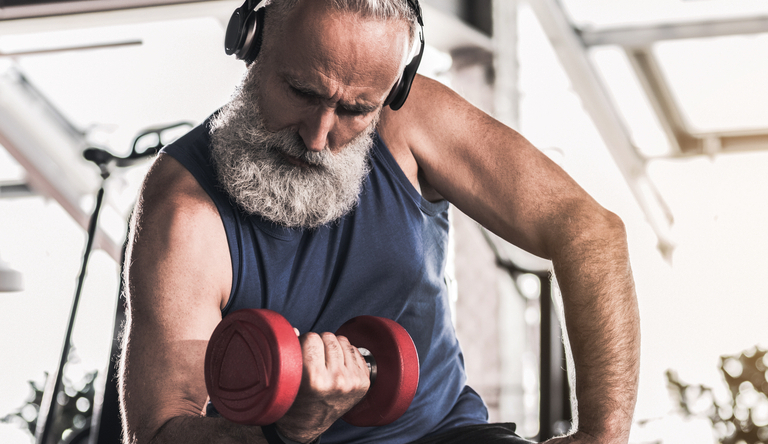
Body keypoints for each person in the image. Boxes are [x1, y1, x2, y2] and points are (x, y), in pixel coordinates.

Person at [118, 0, 639, 443]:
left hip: (446, 434)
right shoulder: (185, 208)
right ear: (252, 41)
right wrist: (288, 432)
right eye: (302, 92)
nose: (318, 136)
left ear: (393, 92)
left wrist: (601, 437)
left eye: (355, 110)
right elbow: (159, 430)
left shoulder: (412, 122)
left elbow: (590, 232)